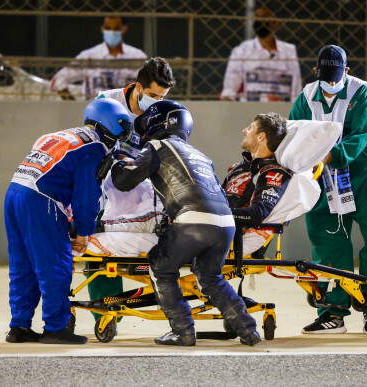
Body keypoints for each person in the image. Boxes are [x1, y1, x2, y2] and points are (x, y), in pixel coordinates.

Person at [104, 100, 262, 346]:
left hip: (193, 220)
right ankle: (249, 331)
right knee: (211, 278)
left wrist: (119, 158)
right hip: (226, 223)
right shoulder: (201, 155)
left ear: (160, 122)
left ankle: (182, 331)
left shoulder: (157, 145)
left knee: (160, 265)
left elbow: (124, 181)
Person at [4, 98, 132, 344]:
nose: (118, 141)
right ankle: (55, 328)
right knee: (56, 265)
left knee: (23, 265)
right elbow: (85, 196)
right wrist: (82, 231)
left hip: (14, 192)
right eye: (120, 133)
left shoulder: (57, 135)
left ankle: (18, 327)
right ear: (110, 127)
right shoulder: (93, 149)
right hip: (42, 199)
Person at [288, 45, 367, 335]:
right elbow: (294, 131)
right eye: (326, 77)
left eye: (337, 76)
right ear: (316, 73)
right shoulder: (307, 96)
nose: (331, 83)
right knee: (328, 241)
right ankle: (332, 312)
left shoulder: (361, 92)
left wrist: (328, 155)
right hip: (325, 178)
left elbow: (360, 135)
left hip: (366, 176)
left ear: (346, 71)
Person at [85, 57, 176, 319]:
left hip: (139, 180)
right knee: (98, 236)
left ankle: (136, 294)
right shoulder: (108, 101)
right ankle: (104, 311)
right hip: (106, 179)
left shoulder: (163, 110)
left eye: (162, 96)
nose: (156, 101)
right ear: (138, 87)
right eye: (151, 94)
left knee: (140, 233)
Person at [223, 113, 291, 256]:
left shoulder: (273, 172)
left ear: (261, 136)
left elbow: (258, 213)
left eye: (251, 127)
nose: (244, 130)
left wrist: (217, 214)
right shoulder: (236, 168)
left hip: (226, 235)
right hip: (211, 225)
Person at [50, 16, 147, 100]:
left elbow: (149, 86)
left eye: (116, 28)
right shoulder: (89, 56)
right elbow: (59, 80)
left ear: (124, 29)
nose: (112, 32)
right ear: (102, 29)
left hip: (128, 114)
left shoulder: (137, 56)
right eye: (108, 28)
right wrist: (74, 105)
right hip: (96, 114)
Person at [221, 6, 301, 102]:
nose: (259, 21)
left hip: (282, 111)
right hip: (250, 111)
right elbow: (229, 90)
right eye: (256, 17)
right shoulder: (241, 51)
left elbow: (296, 88)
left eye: (264, 17)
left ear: (275, 23)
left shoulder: (288, 51)